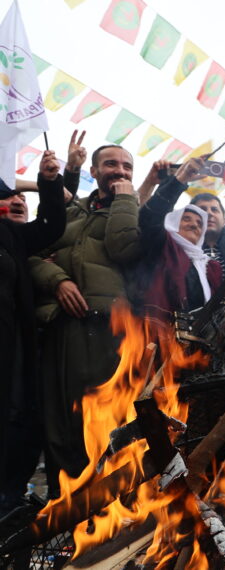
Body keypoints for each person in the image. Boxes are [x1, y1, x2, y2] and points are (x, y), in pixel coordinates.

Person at [29, 142, 143, 492]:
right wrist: (57, 281)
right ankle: (61, 506)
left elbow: (125, 249)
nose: (119, 171)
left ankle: (104, 507)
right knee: (60, 421)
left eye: (126, 167)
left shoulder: (134, 210)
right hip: (63, 328)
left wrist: (127, 199)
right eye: (111, 164)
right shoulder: (71, 210)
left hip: (108, 329)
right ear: (94, 171)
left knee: (105, 420)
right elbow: (30, 254)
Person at [0, 151, 67, 516]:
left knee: (17, 423)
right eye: (6, 197)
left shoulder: (10, 234)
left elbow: (52, 226)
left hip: (12, 352)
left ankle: (8, 502)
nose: (11, 202)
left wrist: (50, 181)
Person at [132, 158, 222, 320]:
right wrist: (179, 180)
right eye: (186, 219)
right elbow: (149, 218)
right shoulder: (160, 245)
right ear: (172, 223)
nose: (194, 225)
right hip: (156, 334)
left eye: (200, 223)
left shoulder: (212, 268)